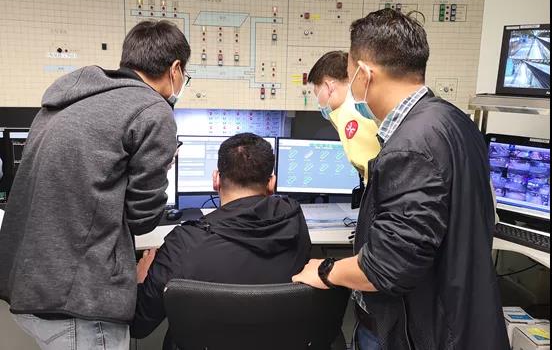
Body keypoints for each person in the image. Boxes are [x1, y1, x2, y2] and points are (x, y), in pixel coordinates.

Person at [293, 9, 509, 350]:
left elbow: (385, 268)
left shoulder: (410, 146)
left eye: (350, 75)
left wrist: (325, 271)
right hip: (459, 319)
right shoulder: (452, 120)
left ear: (365, 74)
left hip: (422, 332)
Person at [0, 20, 191, 349]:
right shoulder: (152, 109)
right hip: (79, 300)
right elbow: (144, 219)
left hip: (30, 282)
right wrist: (162, 166)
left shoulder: (65, 101)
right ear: (175, 69)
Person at [131, 133, 311, 349]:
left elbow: (139, 325)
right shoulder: (295, 221)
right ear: (272, 182)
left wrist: (141, 279)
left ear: (216, 179)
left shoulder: (184, 243)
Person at [308, 50, 380, 182]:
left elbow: (375, 174)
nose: (319, 103)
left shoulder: (348, 114)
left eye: (317, 94)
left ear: (329, 86)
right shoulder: (361, 105)